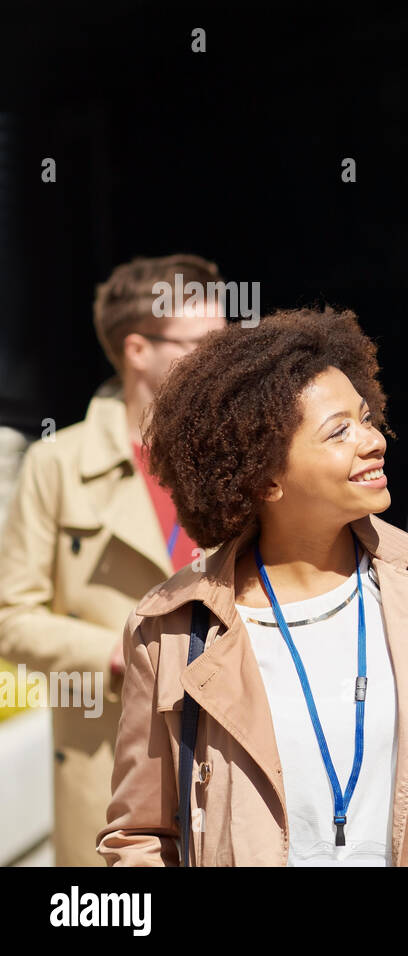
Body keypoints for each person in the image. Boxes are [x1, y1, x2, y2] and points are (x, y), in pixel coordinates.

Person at [97, 306, 408, 866]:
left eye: (367, 417)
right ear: (266, 478)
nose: (373, 440)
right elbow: (141, 837)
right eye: (339, 431)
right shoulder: (173, 628)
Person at [0, 254, 225, 866]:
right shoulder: (57, 465)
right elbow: (10, 619)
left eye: (227, 339)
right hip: (109, 765)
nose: (222, 360)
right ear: (137, 350)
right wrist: (122, 652)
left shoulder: (242, 458)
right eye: (202, 342)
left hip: (231, 760)